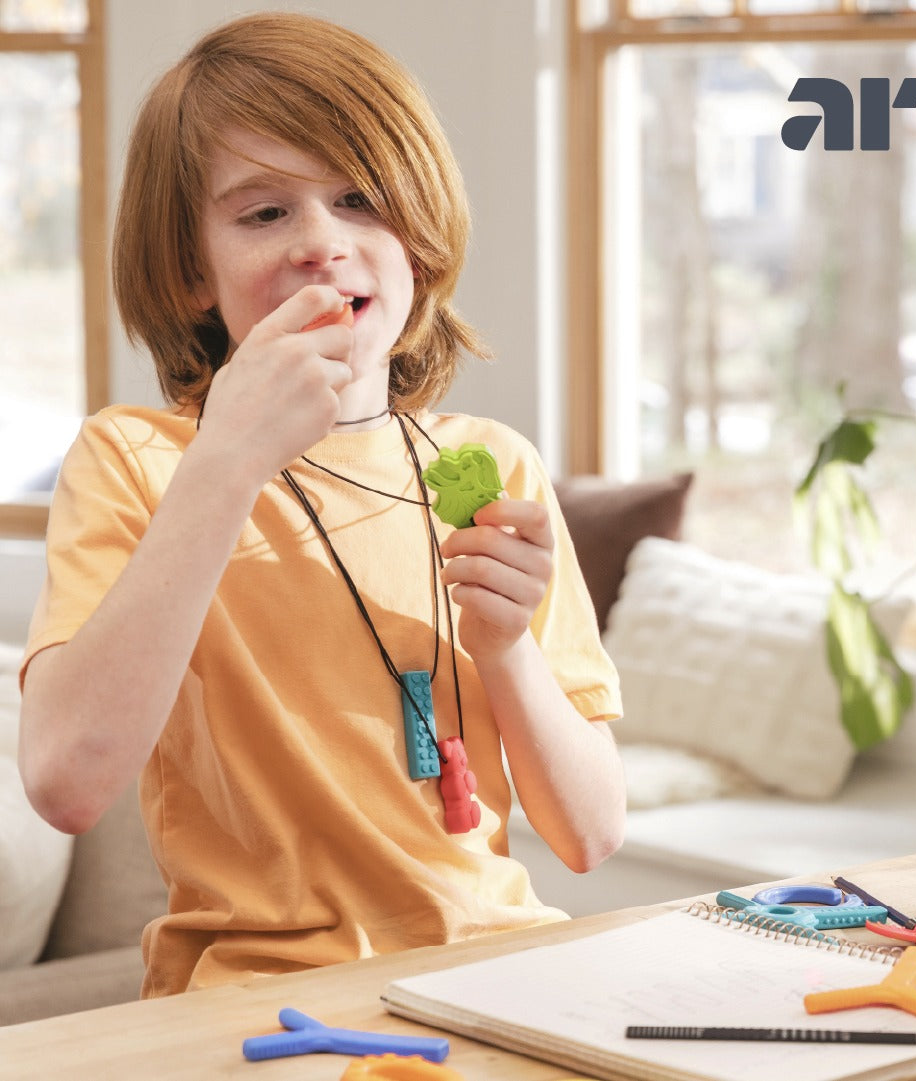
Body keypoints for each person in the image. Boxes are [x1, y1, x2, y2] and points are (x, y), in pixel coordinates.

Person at [17, 11, 625, 999]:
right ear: (188, 271)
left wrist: (507, 645)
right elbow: (66, 781)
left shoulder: (487, 465)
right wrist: (226, 462)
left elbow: (592, 833)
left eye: (358, 200)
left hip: (501, 977)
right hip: (259, 999)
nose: (321, 245)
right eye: (264, 213)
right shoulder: (136, 461)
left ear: (418, 241)